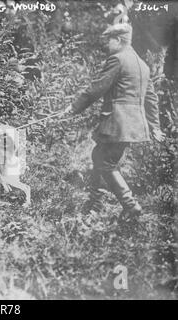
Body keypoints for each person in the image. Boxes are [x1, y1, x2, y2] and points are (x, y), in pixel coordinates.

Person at [65, 23, 165, 222]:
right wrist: (155, 127)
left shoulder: (118, 59)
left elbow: (96, 89)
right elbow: (151, 99)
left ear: (118, 40)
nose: (107, 45)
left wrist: (73, 108)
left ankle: (131, 206)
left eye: (109, 40)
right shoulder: (142, 65)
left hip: (117, 122)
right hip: (133, 125)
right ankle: (95, 202)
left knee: (107, 163)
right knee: (100, 156)